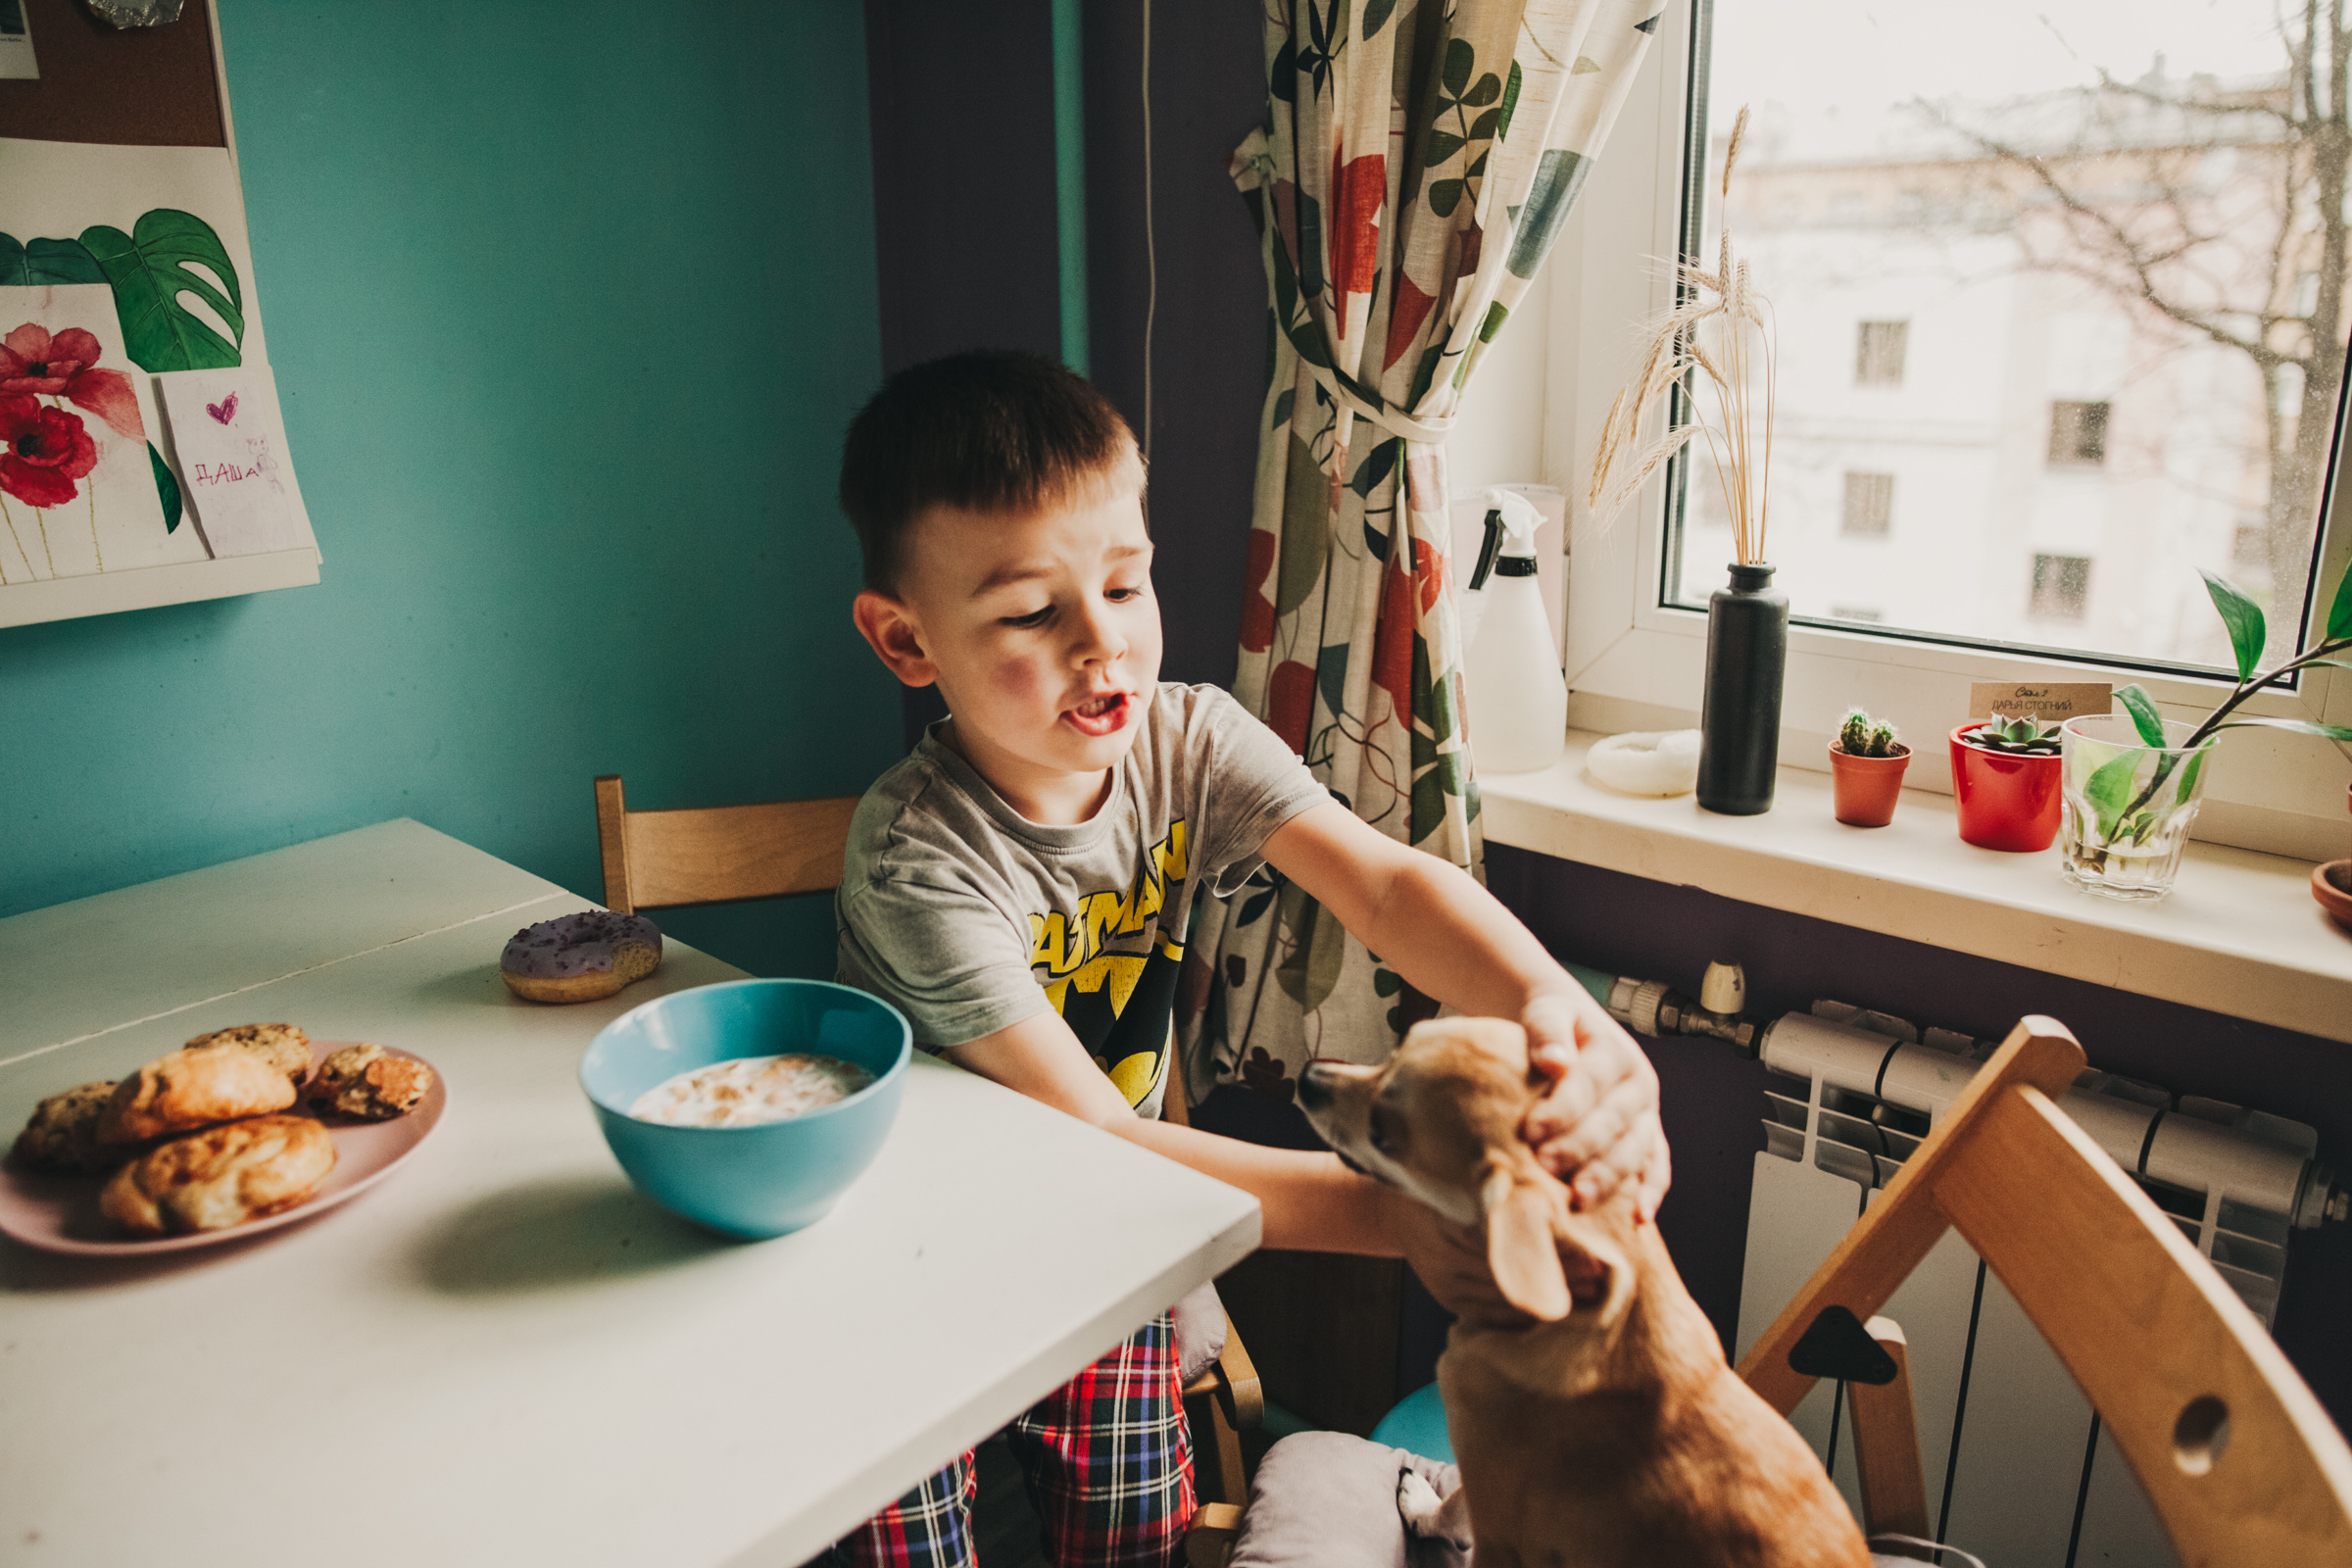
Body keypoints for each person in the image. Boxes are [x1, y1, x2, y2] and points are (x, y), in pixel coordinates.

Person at [824, 351, 1669, 1568]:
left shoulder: (1191, 739)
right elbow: (1098, 1141)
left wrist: (1563, 1019)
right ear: (906, 641)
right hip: (900, 1283)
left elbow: (1387, 886)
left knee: (1132, 1546)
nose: (1102, 645)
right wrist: (1416, 1221)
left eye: (1125, 585)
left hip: (1102, 1257)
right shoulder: (916, 861)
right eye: (1028, 613)